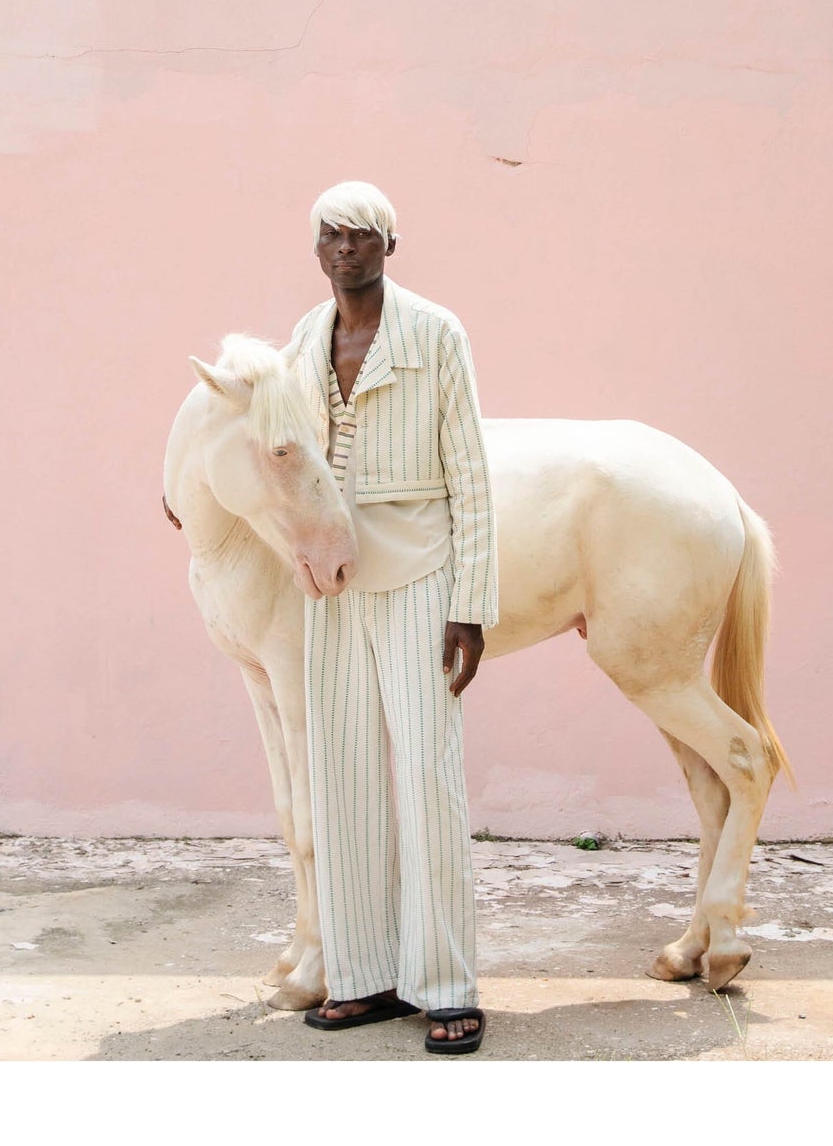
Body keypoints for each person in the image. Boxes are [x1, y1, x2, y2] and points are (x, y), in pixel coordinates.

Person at [283, 179, 498, 1055]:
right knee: (341, 776)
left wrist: (471, 605)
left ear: (390, 247)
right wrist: (190, 489)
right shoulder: (303, 336)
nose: (347, 249)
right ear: (316, 248)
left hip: (418, 574)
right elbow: (272, 441)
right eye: (333, 236)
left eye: (364, 236)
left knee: (426, 775)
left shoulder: (436, 333)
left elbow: (472, 474)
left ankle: (445, 983)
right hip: (330, 581)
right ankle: (365, 974)